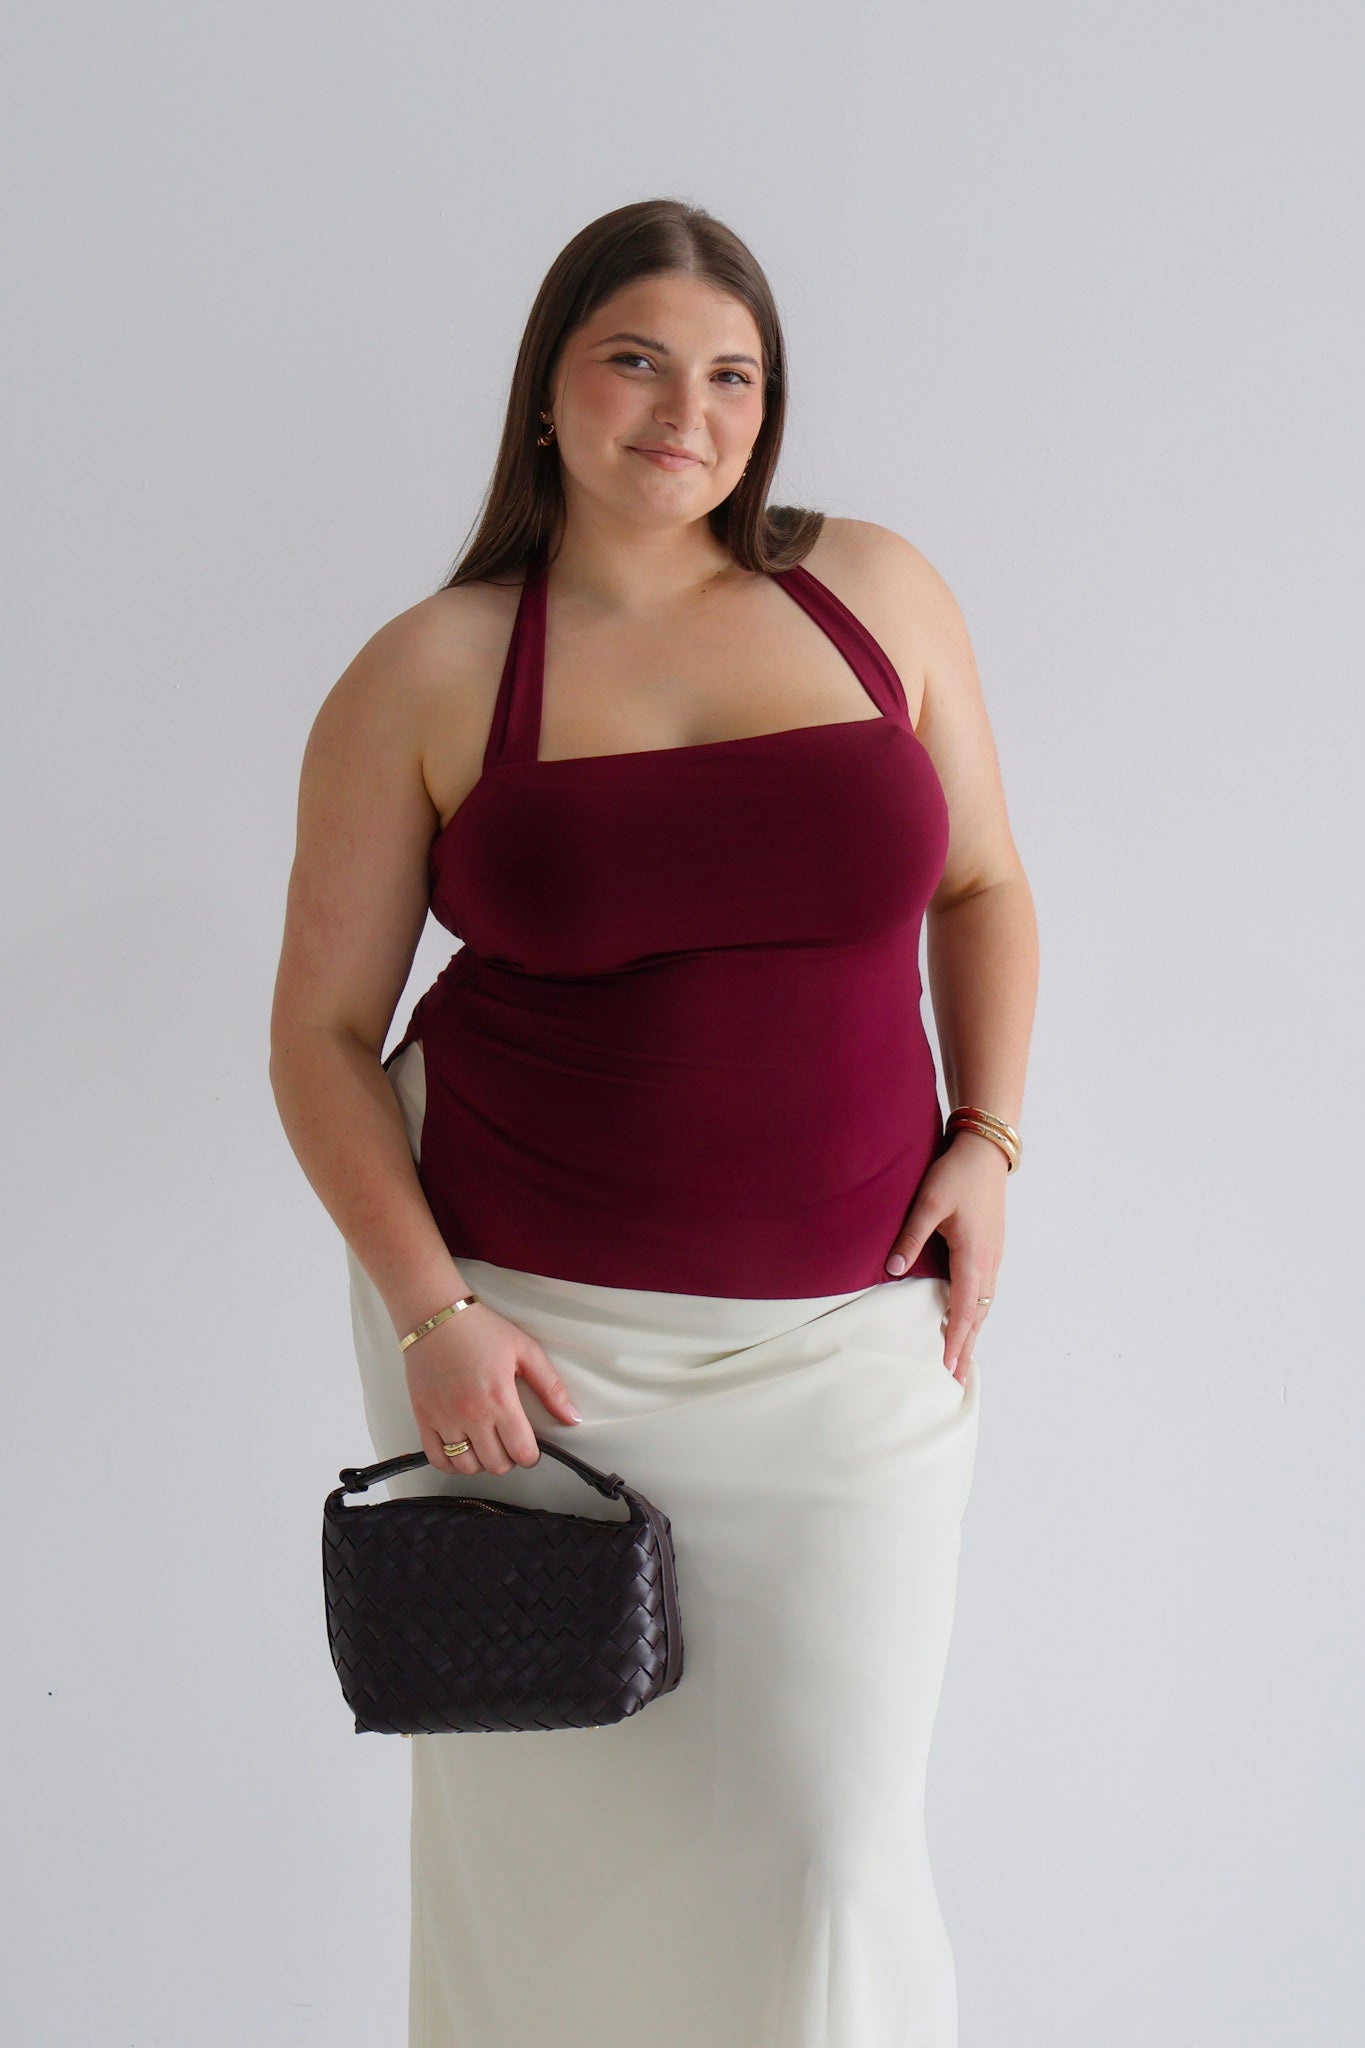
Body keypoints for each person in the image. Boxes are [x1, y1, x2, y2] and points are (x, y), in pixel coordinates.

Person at [269, 196, 1039, 2048]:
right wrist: (434, 1316)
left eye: (731, 376)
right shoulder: (434, 668)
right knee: (552, 1864)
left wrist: (990, 1139)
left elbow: (984, 885)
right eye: (635, 362)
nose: (685, 414)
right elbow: (319, 1036)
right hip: (531, 1351)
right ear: (548, 391)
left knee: (831, 1851)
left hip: (850, 1346)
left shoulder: (875, 592)